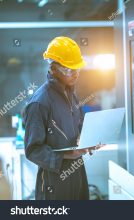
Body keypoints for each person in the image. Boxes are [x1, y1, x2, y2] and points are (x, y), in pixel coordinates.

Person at [24, 36, 99, 200]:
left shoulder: (71, 96)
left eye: (77, 69)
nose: (75, 75)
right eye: (69, 70)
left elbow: (79, 128)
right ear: (53, 68)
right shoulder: (39, 103)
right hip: (53, 182)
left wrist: (90, 141)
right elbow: (32, 150)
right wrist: (66, 156)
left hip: (77, 173)